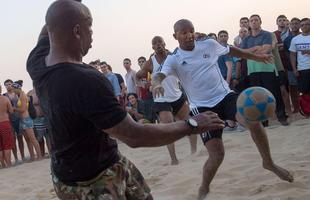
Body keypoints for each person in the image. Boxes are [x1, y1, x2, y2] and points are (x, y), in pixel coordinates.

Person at [26, 1, 225, 199]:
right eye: (90, 24)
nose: (93, 32)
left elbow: (51, 26)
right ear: (77, 30)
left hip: (67, 174)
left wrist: (72, 4)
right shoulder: (86, 82)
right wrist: (191, 125)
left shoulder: (37, 62)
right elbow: (135, 135)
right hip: (96, 182)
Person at [152, 19, 294, 200]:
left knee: (253, 121)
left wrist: (257, 57)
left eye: (191, 31)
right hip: (201, 108)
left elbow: (232, 50)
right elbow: (159, 75)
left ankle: (268, 162)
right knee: (217, 154)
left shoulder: (208, 44)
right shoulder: (174, 59)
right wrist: (156, 84)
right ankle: (204, 186)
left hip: (225, 97)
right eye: (184, 32)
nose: (189, 35)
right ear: (175, 36)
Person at [137, 36, 197, 165]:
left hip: (177, 95)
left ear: (164, 44)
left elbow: (187, 65)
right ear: (152, 47)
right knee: (168, 129)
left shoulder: (173, 56)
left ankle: (194, 152)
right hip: (161, 99)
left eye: (160, 42)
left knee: (191, 123)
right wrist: (143, 84)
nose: (158, 45)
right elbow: (138, 76)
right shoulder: (150, 62)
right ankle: (174, 159)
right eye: (155, 43)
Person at [240, 14, 289, 126]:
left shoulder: (267, 34)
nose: (253, 22)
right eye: (251, 20)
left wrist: (251, 52)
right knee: (257, 96)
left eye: (256, 20)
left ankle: (282, 117)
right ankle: (263, 121)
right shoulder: (247, 38)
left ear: (260, 22)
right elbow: (242, 53)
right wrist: (256, 49)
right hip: (253, 70)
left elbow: (267, 49)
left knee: (275, 93)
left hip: (267, 68)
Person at [12, 81, 42, 161]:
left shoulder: (23, 95)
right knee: (27, 140)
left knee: (32, 139)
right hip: (22, 120)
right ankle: (32, 157)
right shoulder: (19, 95)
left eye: (14, 89)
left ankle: (39, 156)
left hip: (26, 119)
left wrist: (14, 108)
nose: (13, 90)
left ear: (17, 88)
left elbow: (23, 109)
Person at [284, 17, 301, 113]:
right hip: (291, 68)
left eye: (296, 23)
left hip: (305, 66)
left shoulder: (305, 36)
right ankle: (296, 108)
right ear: (289, 25)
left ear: (299, 25)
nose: (294, 25)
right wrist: (292, 67)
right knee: (293, 88)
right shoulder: (287, 40)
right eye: (292, 24)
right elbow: (287, 54)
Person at [289, 18, 310, 96]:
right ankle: (306, 108)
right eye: (302, 25)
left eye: (307, 24)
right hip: (302, 69)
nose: (304, 26)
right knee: (304, 93)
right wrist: (294, 69)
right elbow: (292, 55)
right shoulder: (295, 39)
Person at [27, 88, 51, 157]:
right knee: (39, 138)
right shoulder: (30, 93)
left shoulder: (44, 90)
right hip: (36, 118)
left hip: (46, 116)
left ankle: (50, 153)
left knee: (48, 137)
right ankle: (42, 153)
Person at [3, 79, 21, 163]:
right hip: (9, 121)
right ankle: (16, 158)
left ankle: (23, 156)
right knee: (12, 140)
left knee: (20, 138)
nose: (8, 86)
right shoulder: (4, 96)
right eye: (6, 85)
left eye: (9, 84)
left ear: (12, 84)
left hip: (19, 119)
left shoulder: (18, 94)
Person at [0, 84, 14, 167]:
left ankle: (3, 164)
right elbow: (11, 111)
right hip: (5, 122)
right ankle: (8, 163)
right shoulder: (5, 99)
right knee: (7, 144)